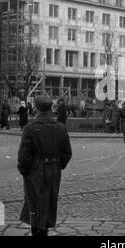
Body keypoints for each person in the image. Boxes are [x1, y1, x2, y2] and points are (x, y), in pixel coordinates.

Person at [17, 96, 72, 236]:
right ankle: (43, 230)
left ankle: (39, 232)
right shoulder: (61, 128)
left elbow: (23, 157)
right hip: (53, 171)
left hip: (35, 172)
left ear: (36, 108)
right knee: (48, 203)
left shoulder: (30, 128)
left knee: (35, 204)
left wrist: (26, 172)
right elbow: (67, 153)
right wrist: (57, 165)